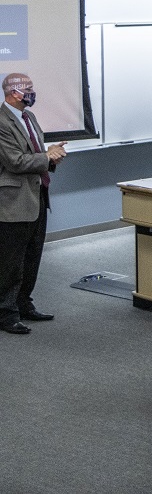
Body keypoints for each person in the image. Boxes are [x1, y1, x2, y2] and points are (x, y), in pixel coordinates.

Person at [0, 73, 67, 335]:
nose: (32, 92)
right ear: (13, 92)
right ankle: (6, 314)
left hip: (37, 194)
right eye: (27, 88)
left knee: (32, 255)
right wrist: (46, 157)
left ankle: (23, 304)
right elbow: (15, 161)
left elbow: (35, 153)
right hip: (13, 200)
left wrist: (52, 155)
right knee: (11, 261)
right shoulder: (1, 121)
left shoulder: (29, 117)